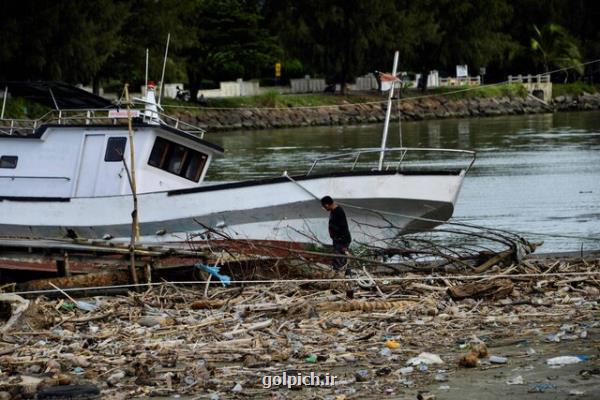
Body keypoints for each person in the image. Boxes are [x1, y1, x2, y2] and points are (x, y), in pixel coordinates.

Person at [321, 196, 352, 274]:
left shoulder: (338, 211)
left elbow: (343, 227)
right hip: (338, 239)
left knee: (338, 259)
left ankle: (338, 276)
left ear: (327, 205)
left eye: (324, 206)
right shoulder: (333, 210)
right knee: (343, 258)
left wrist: (341, 241)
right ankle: (347, 274)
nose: (324, 208)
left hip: (341, 239)